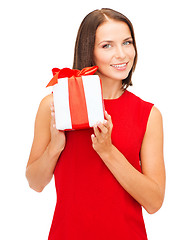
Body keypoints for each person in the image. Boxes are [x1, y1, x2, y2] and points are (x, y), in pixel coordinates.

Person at [26, 8, 165, 240]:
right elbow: (35, 183)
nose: (121, 54)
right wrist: (55, 146)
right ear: (88, 51)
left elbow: (154, 202)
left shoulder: (148, 114)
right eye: (107, 45)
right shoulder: (54, 105)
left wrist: (108, 151)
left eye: (127, 42)